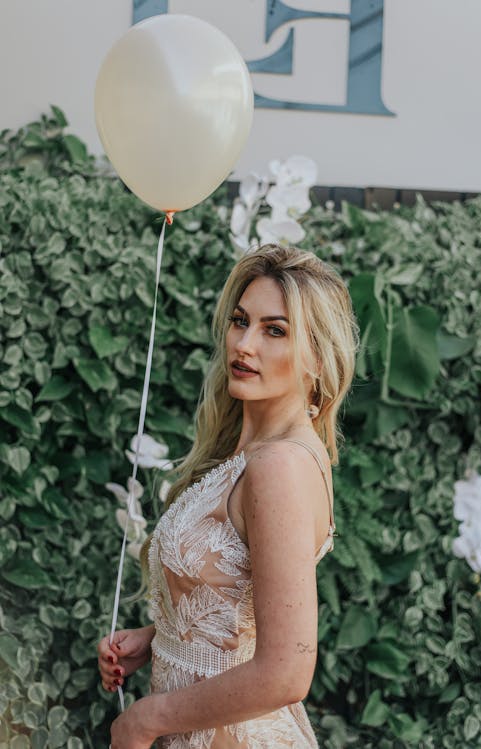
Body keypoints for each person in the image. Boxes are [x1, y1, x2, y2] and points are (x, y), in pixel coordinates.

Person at [97, 244, 358, 749]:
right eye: (241, 321)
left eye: (275, 330)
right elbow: (243, 611)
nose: (245, 343)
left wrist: (147, 719)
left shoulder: (278, 467)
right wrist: (157, 641)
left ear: (319, 359)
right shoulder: (263, 453)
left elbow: (286, 672)